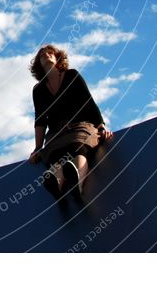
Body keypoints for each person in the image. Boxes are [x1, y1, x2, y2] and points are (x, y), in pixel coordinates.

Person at [27, 44, 113, 198]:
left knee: (78, 147)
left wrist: (101, 126)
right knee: (54, 156)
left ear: (58, 57)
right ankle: (56, 185)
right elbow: (40, 119)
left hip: (80, 126)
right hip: (56, 133)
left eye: (50, 52)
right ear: (38, 63)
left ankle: (77, 182)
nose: (46, 55)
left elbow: (89, 102)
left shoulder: (72, 75)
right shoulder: (38, 90)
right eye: (42, 55)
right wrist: (38, 147)